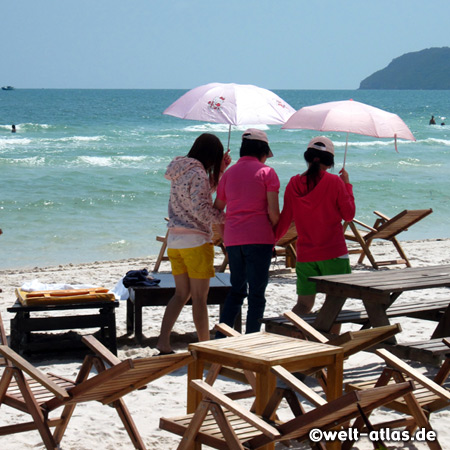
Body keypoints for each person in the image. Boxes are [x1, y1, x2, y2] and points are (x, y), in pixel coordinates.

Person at [156, 133, 230, 354]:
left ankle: (163, 342)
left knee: (181, 295)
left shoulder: (181, 170)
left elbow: (199, 195)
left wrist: (221, 171)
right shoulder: (198, 173)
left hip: (175, 241)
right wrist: (226, 217)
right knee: (199, 297)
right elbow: (202, 209)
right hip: (196, 241)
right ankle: (204, 345)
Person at [275, 136, 355, 316]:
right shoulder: (335, 182)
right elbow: (349, 215)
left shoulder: (294, 183)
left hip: (305, 255)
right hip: (333, 252)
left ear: (308, 157)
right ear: (329, 162)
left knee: (303, 305)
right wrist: (347, 185)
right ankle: (331, 343)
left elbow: (285, 219)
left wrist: (272, 241)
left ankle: (292, 335)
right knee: (334, 305)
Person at [214, 129, 280, 335]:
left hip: (233, 239)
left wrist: (225, 236)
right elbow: (273, 212)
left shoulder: (229, 174)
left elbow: (217, 209)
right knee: (257, 295)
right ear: (263, 151)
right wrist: (277, 232)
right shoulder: (267, 173)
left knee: (236, 291)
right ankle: (251, 339)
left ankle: (220, 338)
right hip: (259, 238)